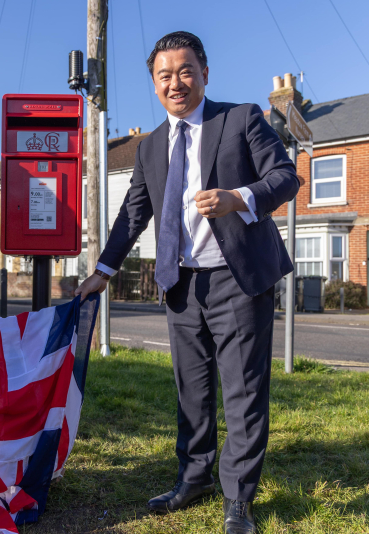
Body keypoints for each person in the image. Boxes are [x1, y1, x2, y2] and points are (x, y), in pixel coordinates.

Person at [75, 31, 299, 534]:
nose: (175, 82)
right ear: (154, 83)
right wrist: (103, 272)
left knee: (242, 393)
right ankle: (194, 477)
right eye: (164, 75)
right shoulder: (151, 144)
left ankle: (238, 500)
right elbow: (133, 214)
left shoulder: (240, 119)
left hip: (238, 281)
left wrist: (238, 197)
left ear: (203, 73)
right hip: (181, 286)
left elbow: (285, 177)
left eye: (185, 71)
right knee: (191, 392)